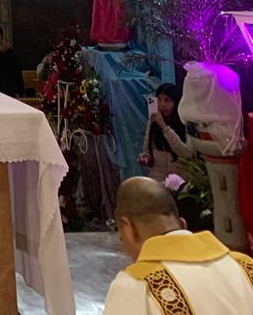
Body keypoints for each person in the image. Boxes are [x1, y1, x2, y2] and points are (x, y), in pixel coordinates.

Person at [104, 176, 253, 313]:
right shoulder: (246, 267)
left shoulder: (136, 286)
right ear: (182, 224)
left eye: (121, 236)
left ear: (128, 228)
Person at [139, 83, 191, 181]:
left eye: (167, 100)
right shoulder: (153, 122)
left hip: (180, 182)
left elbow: (187, 154)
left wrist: (164, 127)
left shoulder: (185, 123)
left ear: (176, 102)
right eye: (159, 100)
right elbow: (147, 151)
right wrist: (144, 158)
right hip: (157, 181)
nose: (162, 105)